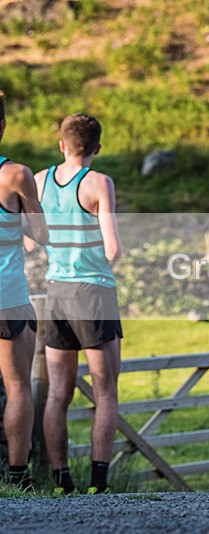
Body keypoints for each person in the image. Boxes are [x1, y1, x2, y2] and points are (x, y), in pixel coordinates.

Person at [32, 113, 122, 495]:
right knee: (105, 392)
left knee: (57, 393)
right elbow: (113, 249)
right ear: (97, 148)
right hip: (94, 292)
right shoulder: (99, 182)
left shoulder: (39, 181)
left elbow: (31, 241)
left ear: (62, 144)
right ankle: (98, 484)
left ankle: (61, 481)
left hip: (56, 292)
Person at [0, 91, 49, 489]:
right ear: (2, 126)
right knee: (17, 386)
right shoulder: (16, 175)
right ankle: (18, 478)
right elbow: (42, 234)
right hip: (9, 297)